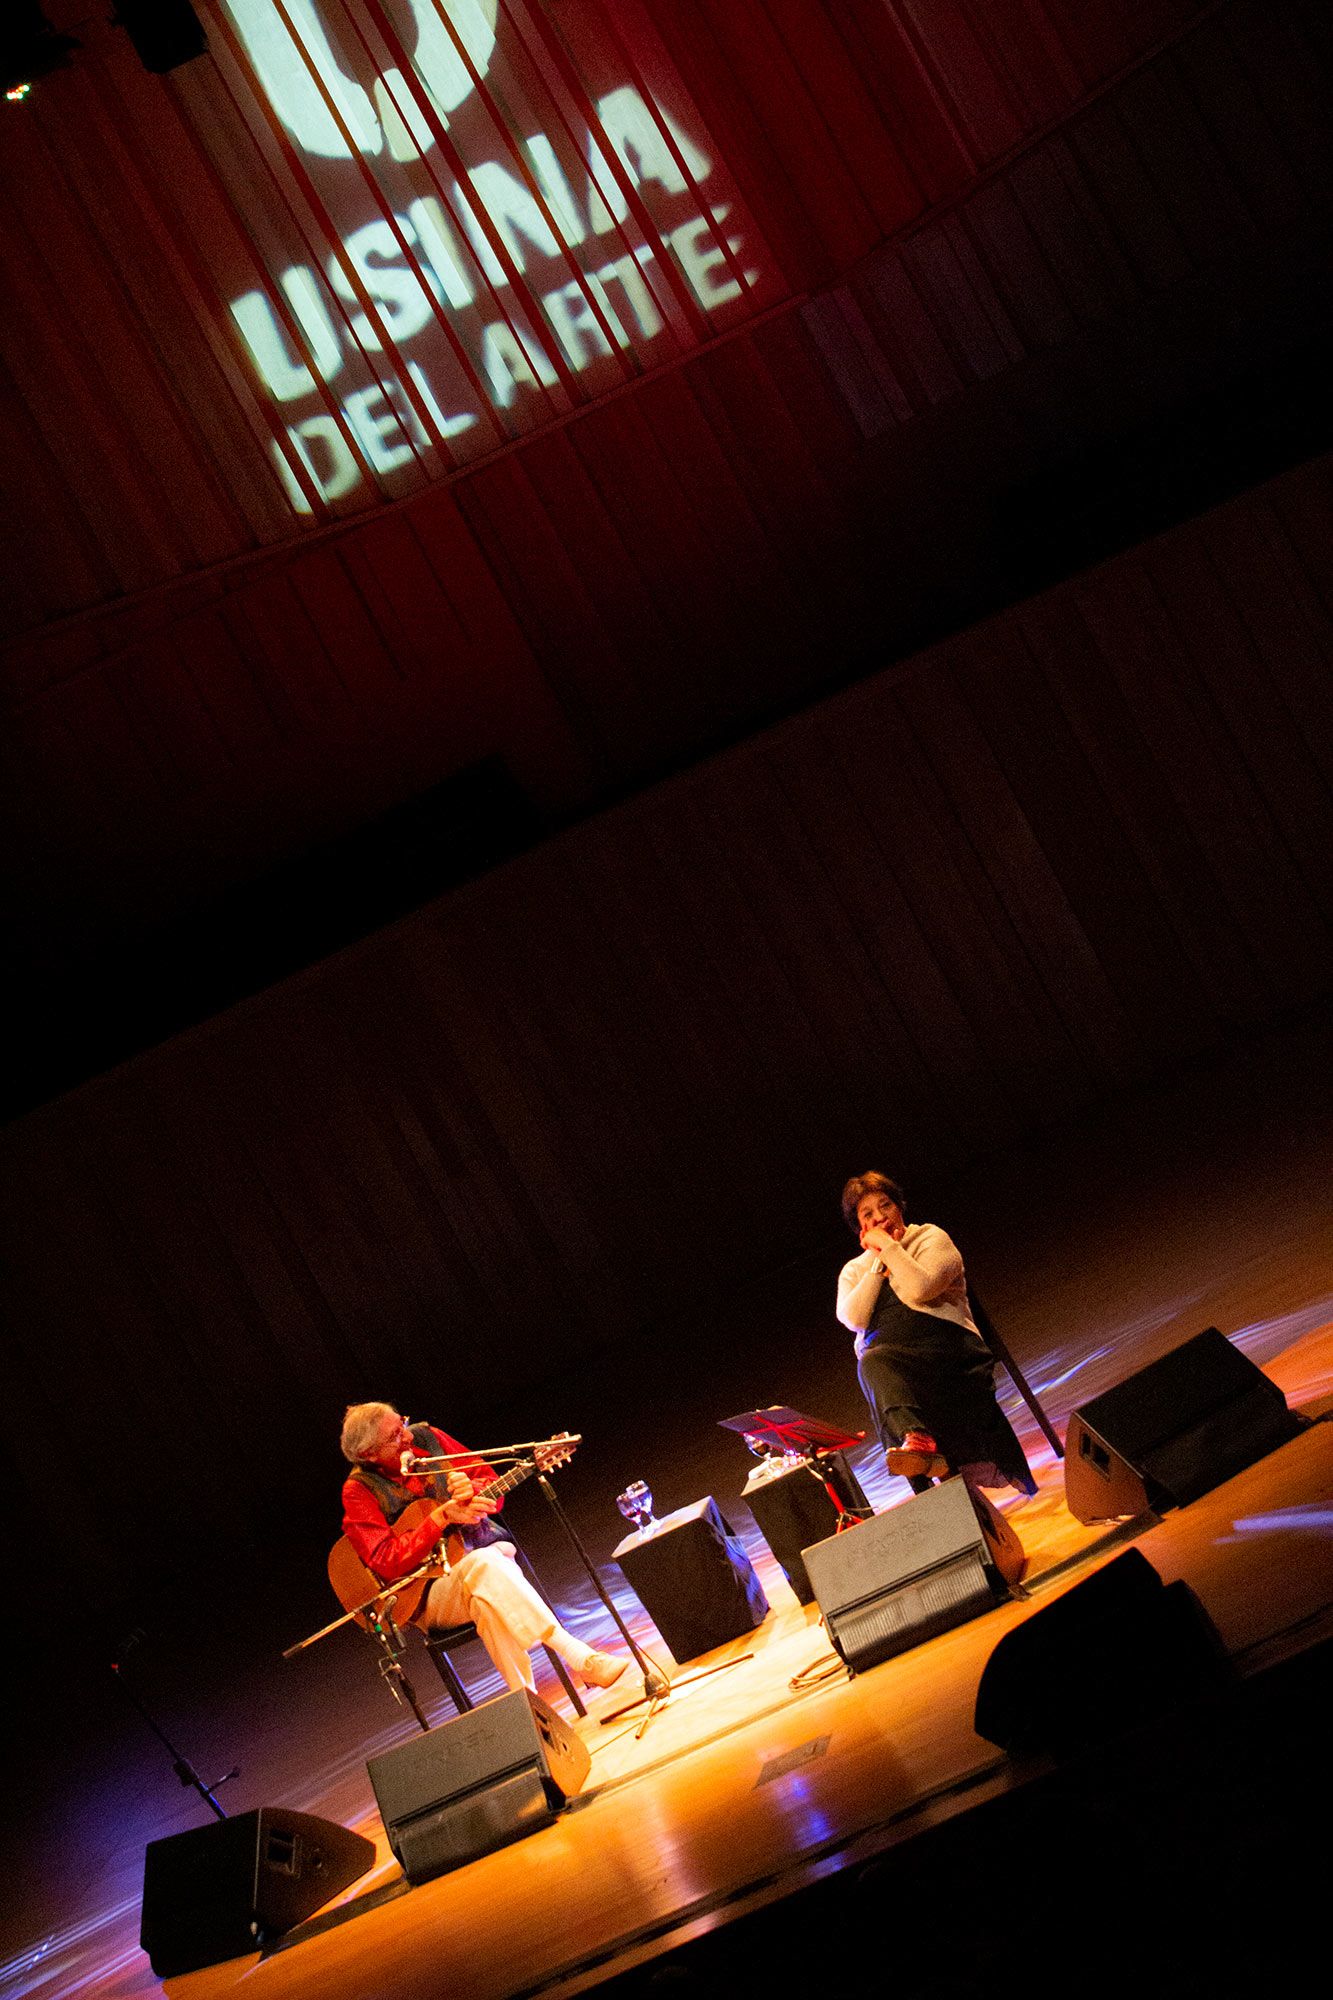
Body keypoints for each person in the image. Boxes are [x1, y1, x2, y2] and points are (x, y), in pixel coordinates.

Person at [339, 1402, 627, 1692]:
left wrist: (472, 1491)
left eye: (402, 1424)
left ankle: (528, 1702)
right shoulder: (359, 1490)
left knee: (486, 1594)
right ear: (369, 1454)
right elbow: (385, 1559)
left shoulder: (430, 1439)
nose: (408, 1437)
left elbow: (490, 1484)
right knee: (486, 1566)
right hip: (428, 1595)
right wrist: (441, 1517)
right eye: (395, 1436)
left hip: (485, 1559)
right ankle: (581, 1658)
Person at [836, 1174, 1035, 1496]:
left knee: (877, 1365)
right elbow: (854, 1318)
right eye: (867, 1214)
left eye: (885, 1206)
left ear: (899, 1207)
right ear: (858, 1226)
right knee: (873, 1364)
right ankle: (916, 1442)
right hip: (894, 1365)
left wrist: (890, 1247)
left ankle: (921, 1453)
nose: (879, 1217)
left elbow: (922, 1289)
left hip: (949, 1352)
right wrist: (877, 1264)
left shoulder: (929, 1237)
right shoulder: (854, 1270)